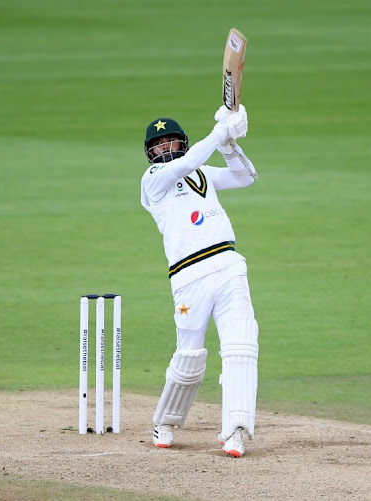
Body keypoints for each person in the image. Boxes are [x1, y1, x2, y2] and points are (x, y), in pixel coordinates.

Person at [140, 105, 259, 458]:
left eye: (172, 141)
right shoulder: (153, 181)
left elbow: (245, 177)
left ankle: (236, 430)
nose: (166, 148)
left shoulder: (203, 171)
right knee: (189, 356)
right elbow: (184, 164)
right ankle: (166, 420)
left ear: (183, 140)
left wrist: (229, 145)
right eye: (159, 145)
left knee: (240, 346)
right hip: (188, 276)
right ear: (150, 153)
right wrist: (218, 133)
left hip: (228, 265)